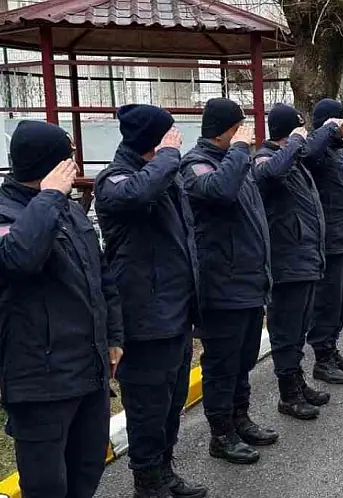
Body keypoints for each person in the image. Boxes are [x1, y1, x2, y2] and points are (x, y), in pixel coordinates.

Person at [0, 121, 123, 498]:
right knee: (46, 485)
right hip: (39, 379)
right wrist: (50, 197)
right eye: (67, 159)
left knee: (86, 469)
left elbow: (101, 277)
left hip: (88, 369)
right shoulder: (9, 213)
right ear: (49, 166)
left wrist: (114, 337)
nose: (74, 165)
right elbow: (20, 258)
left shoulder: (67, 209)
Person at [94, 105, 207, 497]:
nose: (177, 137)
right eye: (170, 132)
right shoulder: (115, 179)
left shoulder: (163, 173)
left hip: (176, 312)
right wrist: (168, 156)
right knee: (146, 409)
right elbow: (139, 193)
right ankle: (147, 482)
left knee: (171, 402)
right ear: (152, 140)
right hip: (144, 318)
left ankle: (164, 470)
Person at [179, 98, 278, 465]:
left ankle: (240, 417)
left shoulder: (236, 162)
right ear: (226, 130)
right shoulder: (196, 164)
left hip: (249, 281)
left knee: (243, 359)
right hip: (222, 284)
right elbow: (219, 191)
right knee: (222, 364)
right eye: (241, 127)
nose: (248, 134)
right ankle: (221, 433)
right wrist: (239, 150)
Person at [253, 103, 332, 418]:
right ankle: (287, 394)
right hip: (286, 262)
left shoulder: (294, 159)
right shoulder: (265, 158)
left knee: (299, 328)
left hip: (306, 257)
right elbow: (269, 174)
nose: (304, 133)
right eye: (298, 129)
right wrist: (297, 141)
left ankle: (297, 382)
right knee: (286, 330)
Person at [303, 98, 343, 385]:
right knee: (327, 303)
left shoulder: (339, 153)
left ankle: (331, 349)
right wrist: (327, 128)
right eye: (342, 120)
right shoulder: (317, 151)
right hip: (329, 241)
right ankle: (322, 358)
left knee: (341, 301)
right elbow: (308, 152)